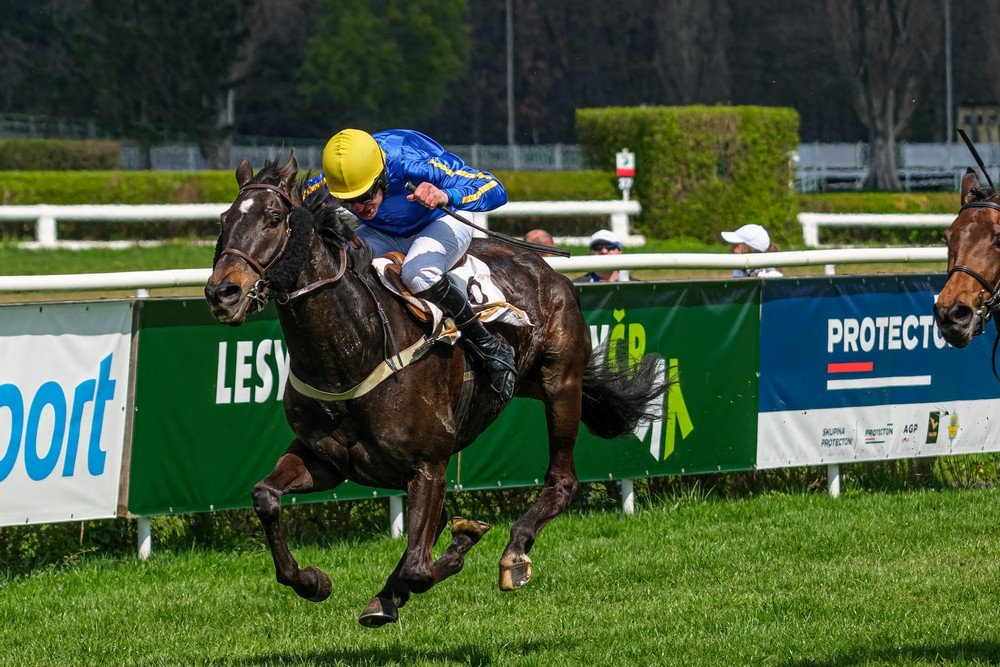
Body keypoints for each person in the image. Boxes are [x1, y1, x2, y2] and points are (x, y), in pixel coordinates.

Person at [319, 128, 515, 401]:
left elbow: (494, 187)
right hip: (383, 232)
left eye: (365, 197)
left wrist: (446, 195)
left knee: (418, 273)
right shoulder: (333, 179)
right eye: (347, 201)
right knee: (342, 267)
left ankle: (490, 347)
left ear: (382, 176)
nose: (359, 208)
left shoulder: (412, 162)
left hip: (440, 221)